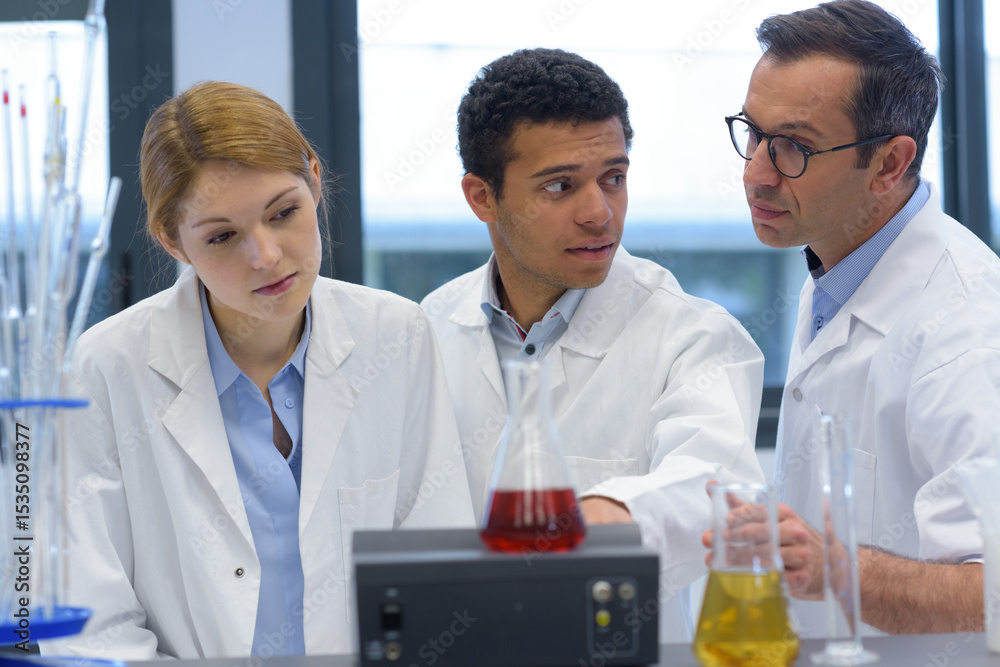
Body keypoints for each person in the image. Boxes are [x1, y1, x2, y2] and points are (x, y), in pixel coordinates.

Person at [41, 81, 474, 660]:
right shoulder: (106, 368)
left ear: (314, 181)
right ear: (173, 240)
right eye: (222, 236)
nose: (265, 256)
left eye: (283, 213)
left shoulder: (396, 337)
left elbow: (437, 574)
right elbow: (94, 626)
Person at [420, 48, 766, 642]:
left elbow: (713, 486)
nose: (600, 213)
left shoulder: (692, 335)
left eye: (614, 178)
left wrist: (596, 519)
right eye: (560, 186)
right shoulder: (426, 330)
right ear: (481, 197)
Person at [724, 0, 1000, 636]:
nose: (756, 173)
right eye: (753, 132)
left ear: (889, 164)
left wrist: (837, 569)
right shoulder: (838, 260)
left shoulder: (968, 333)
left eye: (793, 147)